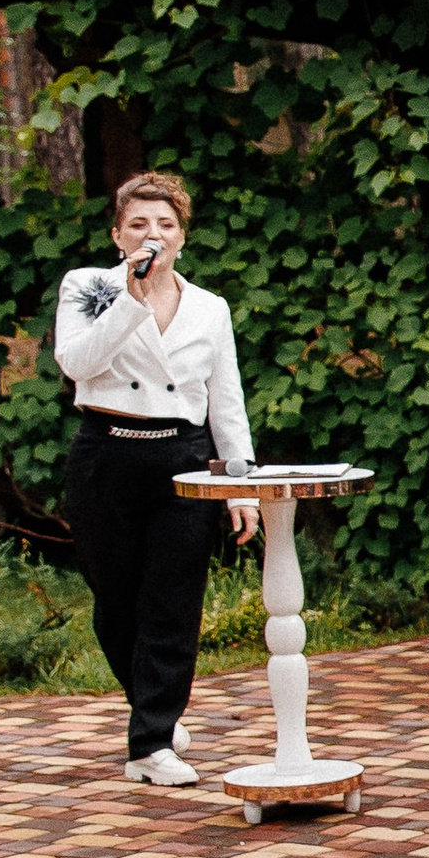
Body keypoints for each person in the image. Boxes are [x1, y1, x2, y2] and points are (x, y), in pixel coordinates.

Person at [54, 171, 257, 786]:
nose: (153, 235)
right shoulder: (88, 287)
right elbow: (77, 362)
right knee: (115, 603)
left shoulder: (209, 307)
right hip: (105, 455)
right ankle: (152, 706)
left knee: (172, 601)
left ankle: (151, 743)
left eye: (165, 224)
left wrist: (241, 484)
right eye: (139, 224)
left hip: (183, 459)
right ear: (118, 235)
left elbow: (226, 400)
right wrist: (131, 300)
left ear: (182, 237)